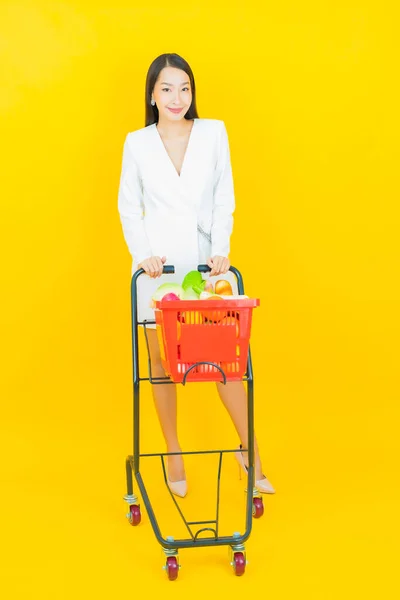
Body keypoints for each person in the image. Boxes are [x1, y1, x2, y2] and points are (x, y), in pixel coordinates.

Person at [118, 53, 275, 498]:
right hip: (157, 269)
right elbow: (130, 207)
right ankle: (172, 450)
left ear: (193, 92)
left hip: (206, 268)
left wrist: (220, 251)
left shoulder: (213, 133)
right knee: (161, 366)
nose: (176, 98)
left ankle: (251, 447)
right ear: (151, 94)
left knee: (226, 363)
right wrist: (144, 255)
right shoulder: (137, 143)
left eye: (184, 88)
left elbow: (224, 197)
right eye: (166, 89)